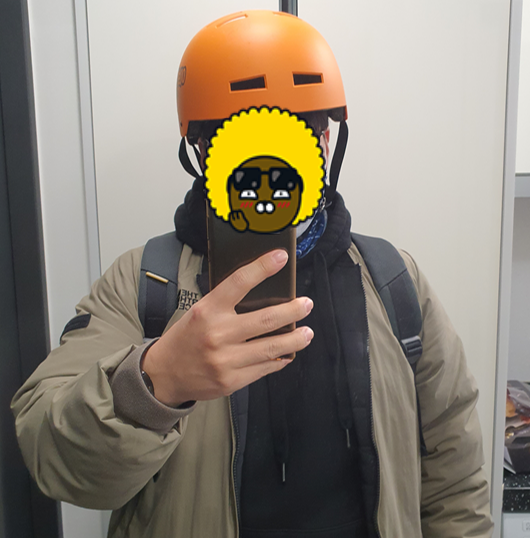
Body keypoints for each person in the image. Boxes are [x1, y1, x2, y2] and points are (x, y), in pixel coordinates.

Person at [12, 10, 493, 538]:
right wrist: (156, 382)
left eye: (299, 134)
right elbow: (54, 456)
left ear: (326, 143)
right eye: (240, 139)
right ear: (203, 153)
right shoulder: (144, 283)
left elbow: (454, 470)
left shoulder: (393, 280)